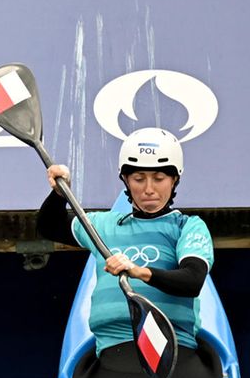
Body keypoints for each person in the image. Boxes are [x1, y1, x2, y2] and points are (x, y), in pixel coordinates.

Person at [38, 127, 215, 359]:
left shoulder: (187, 226)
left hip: (172, 351)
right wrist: (60, 194)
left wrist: (137, 271)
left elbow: (192, 281)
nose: (149, 189)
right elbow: (49, 226)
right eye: (139, 179)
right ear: (126, 180)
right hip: (112, 352)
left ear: (174, 180)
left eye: (159, 178)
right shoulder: (102, 225)